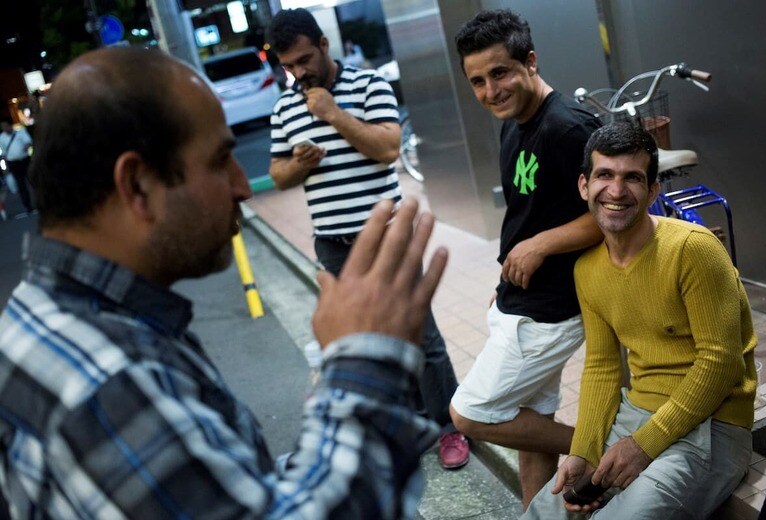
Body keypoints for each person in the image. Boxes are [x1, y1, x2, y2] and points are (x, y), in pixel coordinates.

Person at [0, 46, 451, 518]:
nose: (241, 185)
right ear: (137, 186)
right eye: (220, 160)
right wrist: (362, 367)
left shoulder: (42, 312)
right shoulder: (111, 383)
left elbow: (221, 491)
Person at [267, 8, 469, 469]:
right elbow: (278, 175)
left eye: (304, 60)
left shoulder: (369, 85)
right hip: (333, 244)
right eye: (289, 66)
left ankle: (448, 427)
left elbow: (387, 148)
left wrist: (333, 114)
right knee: (360, 342)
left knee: (420, 334)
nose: (299, 73)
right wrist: (299, 163)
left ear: (322, 44)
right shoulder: (283, 107)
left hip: (387, 239)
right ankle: (408, 423)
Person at [524, 122, 757, 518]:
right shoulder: (587, 269)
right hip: (634, 416)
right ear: (584, 185)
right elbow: (600, 367)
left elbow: (720, 363)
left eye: (632, 177)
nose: (616, 191)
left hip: (714, 426)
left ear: (652, 191)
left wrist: (642, 446)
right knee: (545, 511)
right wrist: (583, 450)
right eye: (604, 175)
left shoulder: (692, 248)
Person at [448, 9, 602, 507]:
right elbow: (528, 211)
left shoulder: (569, 128)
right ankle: (539, 515)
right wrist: (511, 272)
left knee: (470, 413)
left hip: (551, 309)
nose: (490, 90)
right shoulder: (513, 122)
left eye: (500, 73)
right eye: (477, 81)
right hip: (521, 298)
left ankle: (598, 450)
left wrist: (539, 246)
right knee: (530, 425)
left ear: (529, 62)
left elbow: (612, 214)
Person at [0, 119, 35, 215]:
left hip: (25, 160)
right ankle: (28, 206)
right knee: (21, 185)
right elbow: (3, 154)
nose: (5, 128)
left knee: (33, 181)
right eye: (3, 127)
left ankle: (41, 201)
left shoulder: (20, 132)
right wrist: (5, 168)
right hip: (13, 163)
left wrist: (26, 147)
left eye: (6, 126)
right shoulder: (1, 138)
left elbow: (29, 142)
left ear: (10, 125)